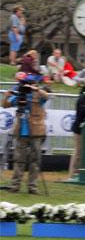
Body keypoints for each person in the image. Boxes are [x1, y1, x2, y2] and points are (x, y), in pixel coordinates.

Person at [3, 61, 49, 193]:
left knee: (35, 160)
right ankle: (15, 185)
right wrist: (8, 95)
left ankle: (32, 187)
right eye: (24, 84)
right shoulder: (20, 95)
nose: (26, 86)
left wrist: (36, 89)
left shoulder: (38, 94)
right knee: (19, 159)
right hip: (21, 132)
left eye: (28, 83)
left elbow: (46, 96)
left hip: (36, 132)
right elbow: (6, 105)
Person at [68, 76, 85, 178]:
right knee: (78, 151)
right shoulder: (83, 98)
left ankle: (76, 172)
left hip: (83, 129)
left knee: (79, 151)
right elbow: (81, 114)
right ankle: (73, 173)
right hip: (79, 129)